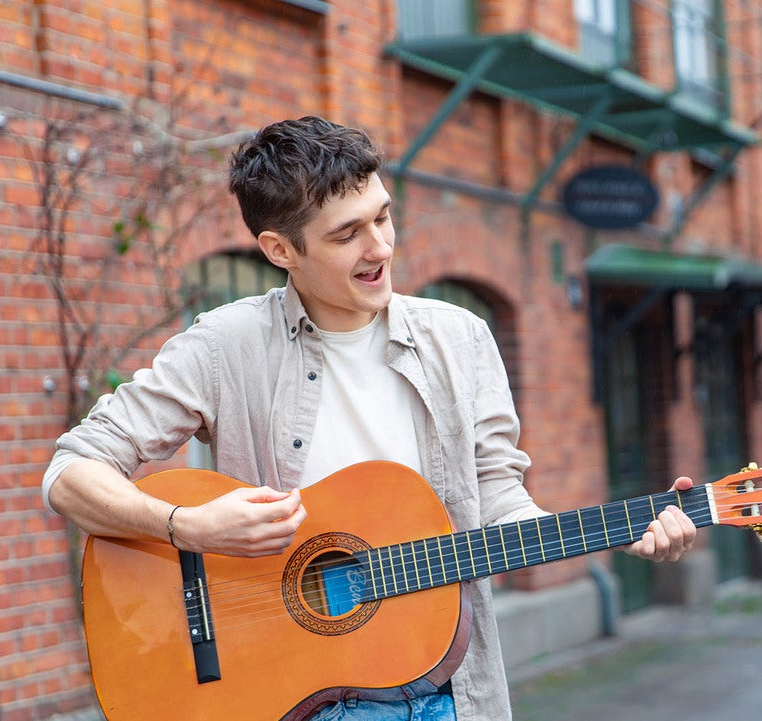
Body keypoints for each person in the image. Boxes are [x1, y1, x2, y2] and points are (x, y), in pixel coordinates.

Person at [42, 116, 697, 721]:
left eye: (383, 217)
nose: (379, 245)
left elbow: (498, 499)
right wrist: (187, 526)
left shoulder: (460, 339)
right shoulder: (224, 346)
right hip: (293, 695)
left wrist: (622, 530)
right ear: (279, 249)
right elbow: (71, 471)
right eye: (346, 233)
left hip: (450, 692)